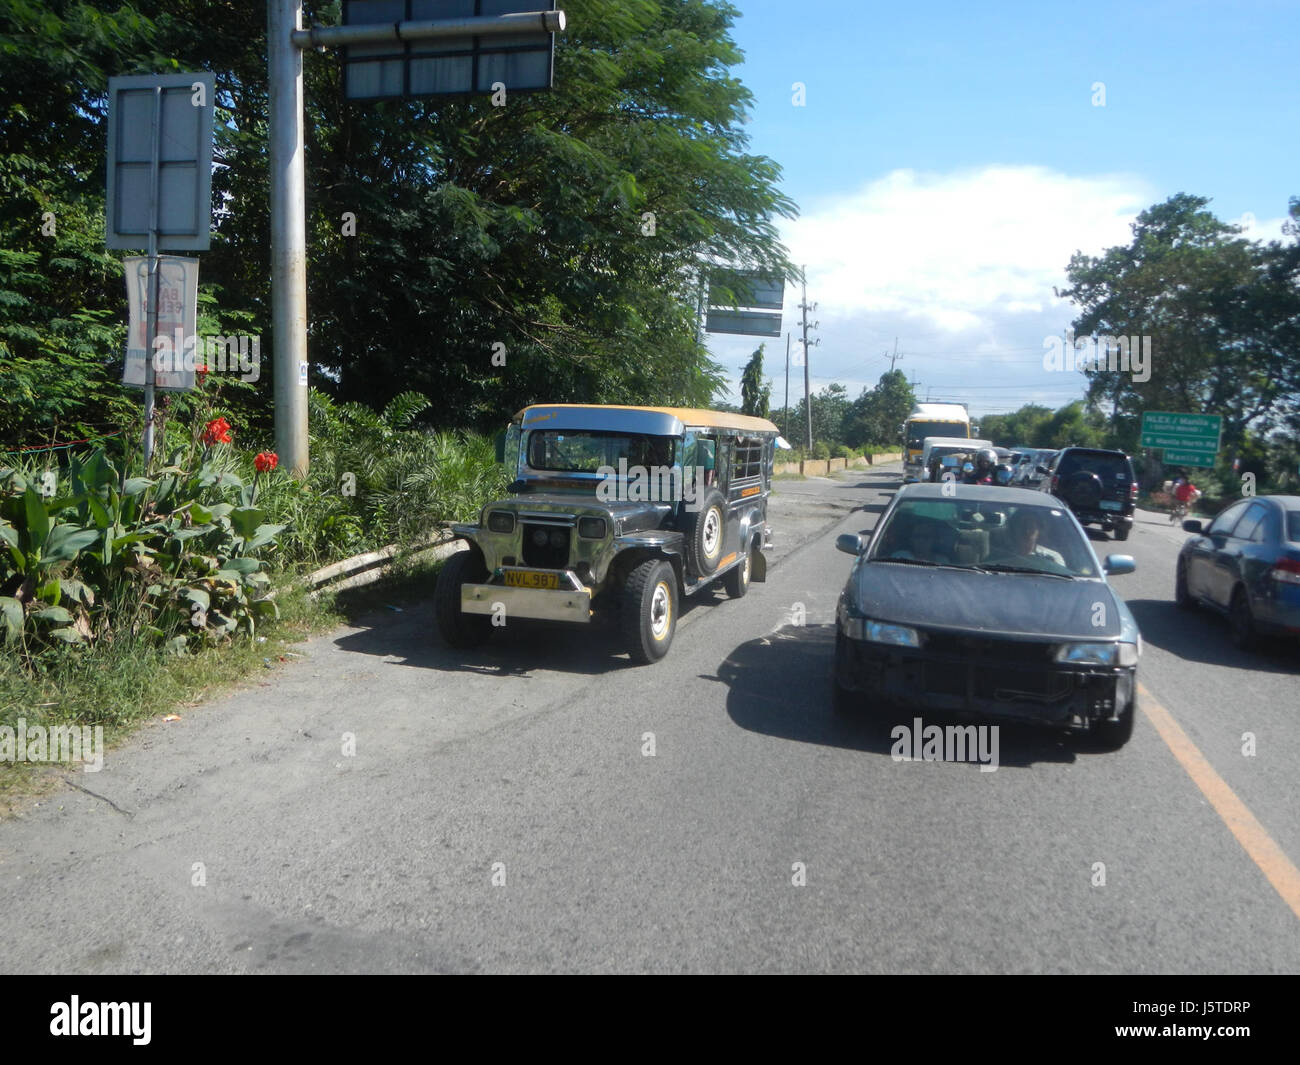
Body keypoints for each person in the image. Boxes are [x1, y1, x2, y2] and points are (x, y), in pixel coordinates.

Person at [988, 509, 1065, 568]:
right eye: (1022, 527)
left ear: (1039, 531)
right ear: (1013, 530)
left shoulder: (1052, 558)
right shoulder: (997, 558)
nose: (1027, 531)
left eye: (1031, 527)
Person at [888, 516, 954, 564]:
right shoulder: (899, 557)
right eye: (917, 536)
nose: (921, 540)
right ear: (911, 539)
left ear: (934, 540)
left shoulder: (943, 562)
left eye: (926, 537)